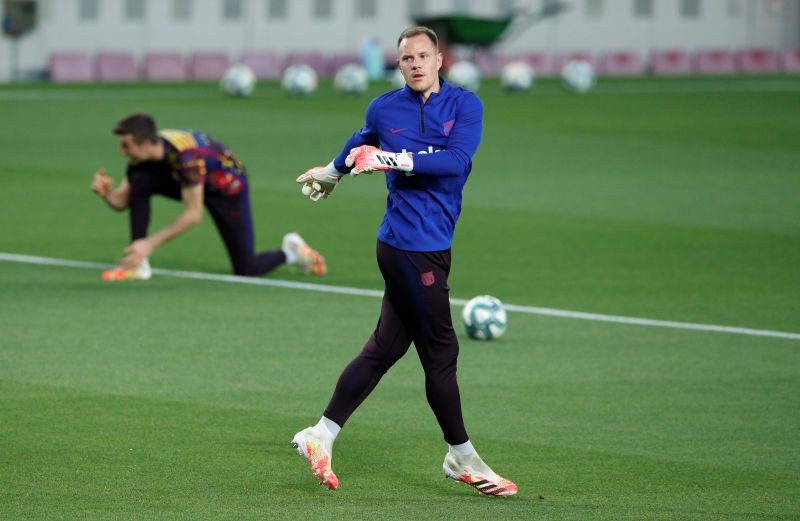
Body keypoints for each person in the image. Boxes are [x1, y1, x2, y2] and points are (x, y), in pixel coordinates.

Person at [291, 26, 517, 497]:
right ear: (399, 65)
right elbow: (360, 142)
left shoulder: (465, 106)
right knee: (441, 352)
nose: (413, 64)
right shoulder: (384, 107)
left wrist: (392, 160)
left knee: (386, 347)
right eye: (405, 59)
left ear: (439, 59)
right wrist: (333, 172)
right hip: (404, 247)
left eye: (421, 56)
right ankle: (461, 456)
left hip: (434, 243)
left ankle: (322, 433)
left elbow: (455, 162)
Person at [91, 113, 326, 281]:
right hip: (188, 181)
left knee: (246, 268)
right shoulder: (140, 160)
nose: (121, 151)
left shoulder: (187, 158)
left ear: (144, 143)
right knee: (141, 181)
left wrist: (150, 244)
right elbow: (123, 202)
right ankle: (137, 264)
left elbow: (193, 214)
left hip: (228, 188)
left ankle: (291, 253)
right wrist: (106, 194)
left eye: (126, 145)